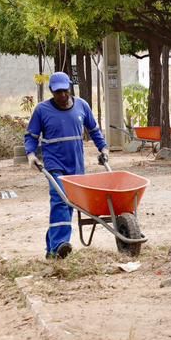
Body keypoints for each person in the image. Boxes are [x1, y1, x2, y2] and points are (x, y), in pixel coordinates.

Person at [24, 72, 109, 259]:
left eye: (64, 91)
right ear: (51, 92)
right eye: (57, 92)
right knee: (60, 201)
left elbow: (94, 130)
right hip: (55, 164)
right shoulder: (42, 110)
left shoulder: (82, 106)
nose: (62, 96)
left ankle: (51, 249)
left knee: (70, 203)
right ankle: (60, 245)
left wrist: (103, 148)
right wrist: (31, 154)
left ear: (70, 88)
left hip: (76, 165)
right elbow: (31, 136)